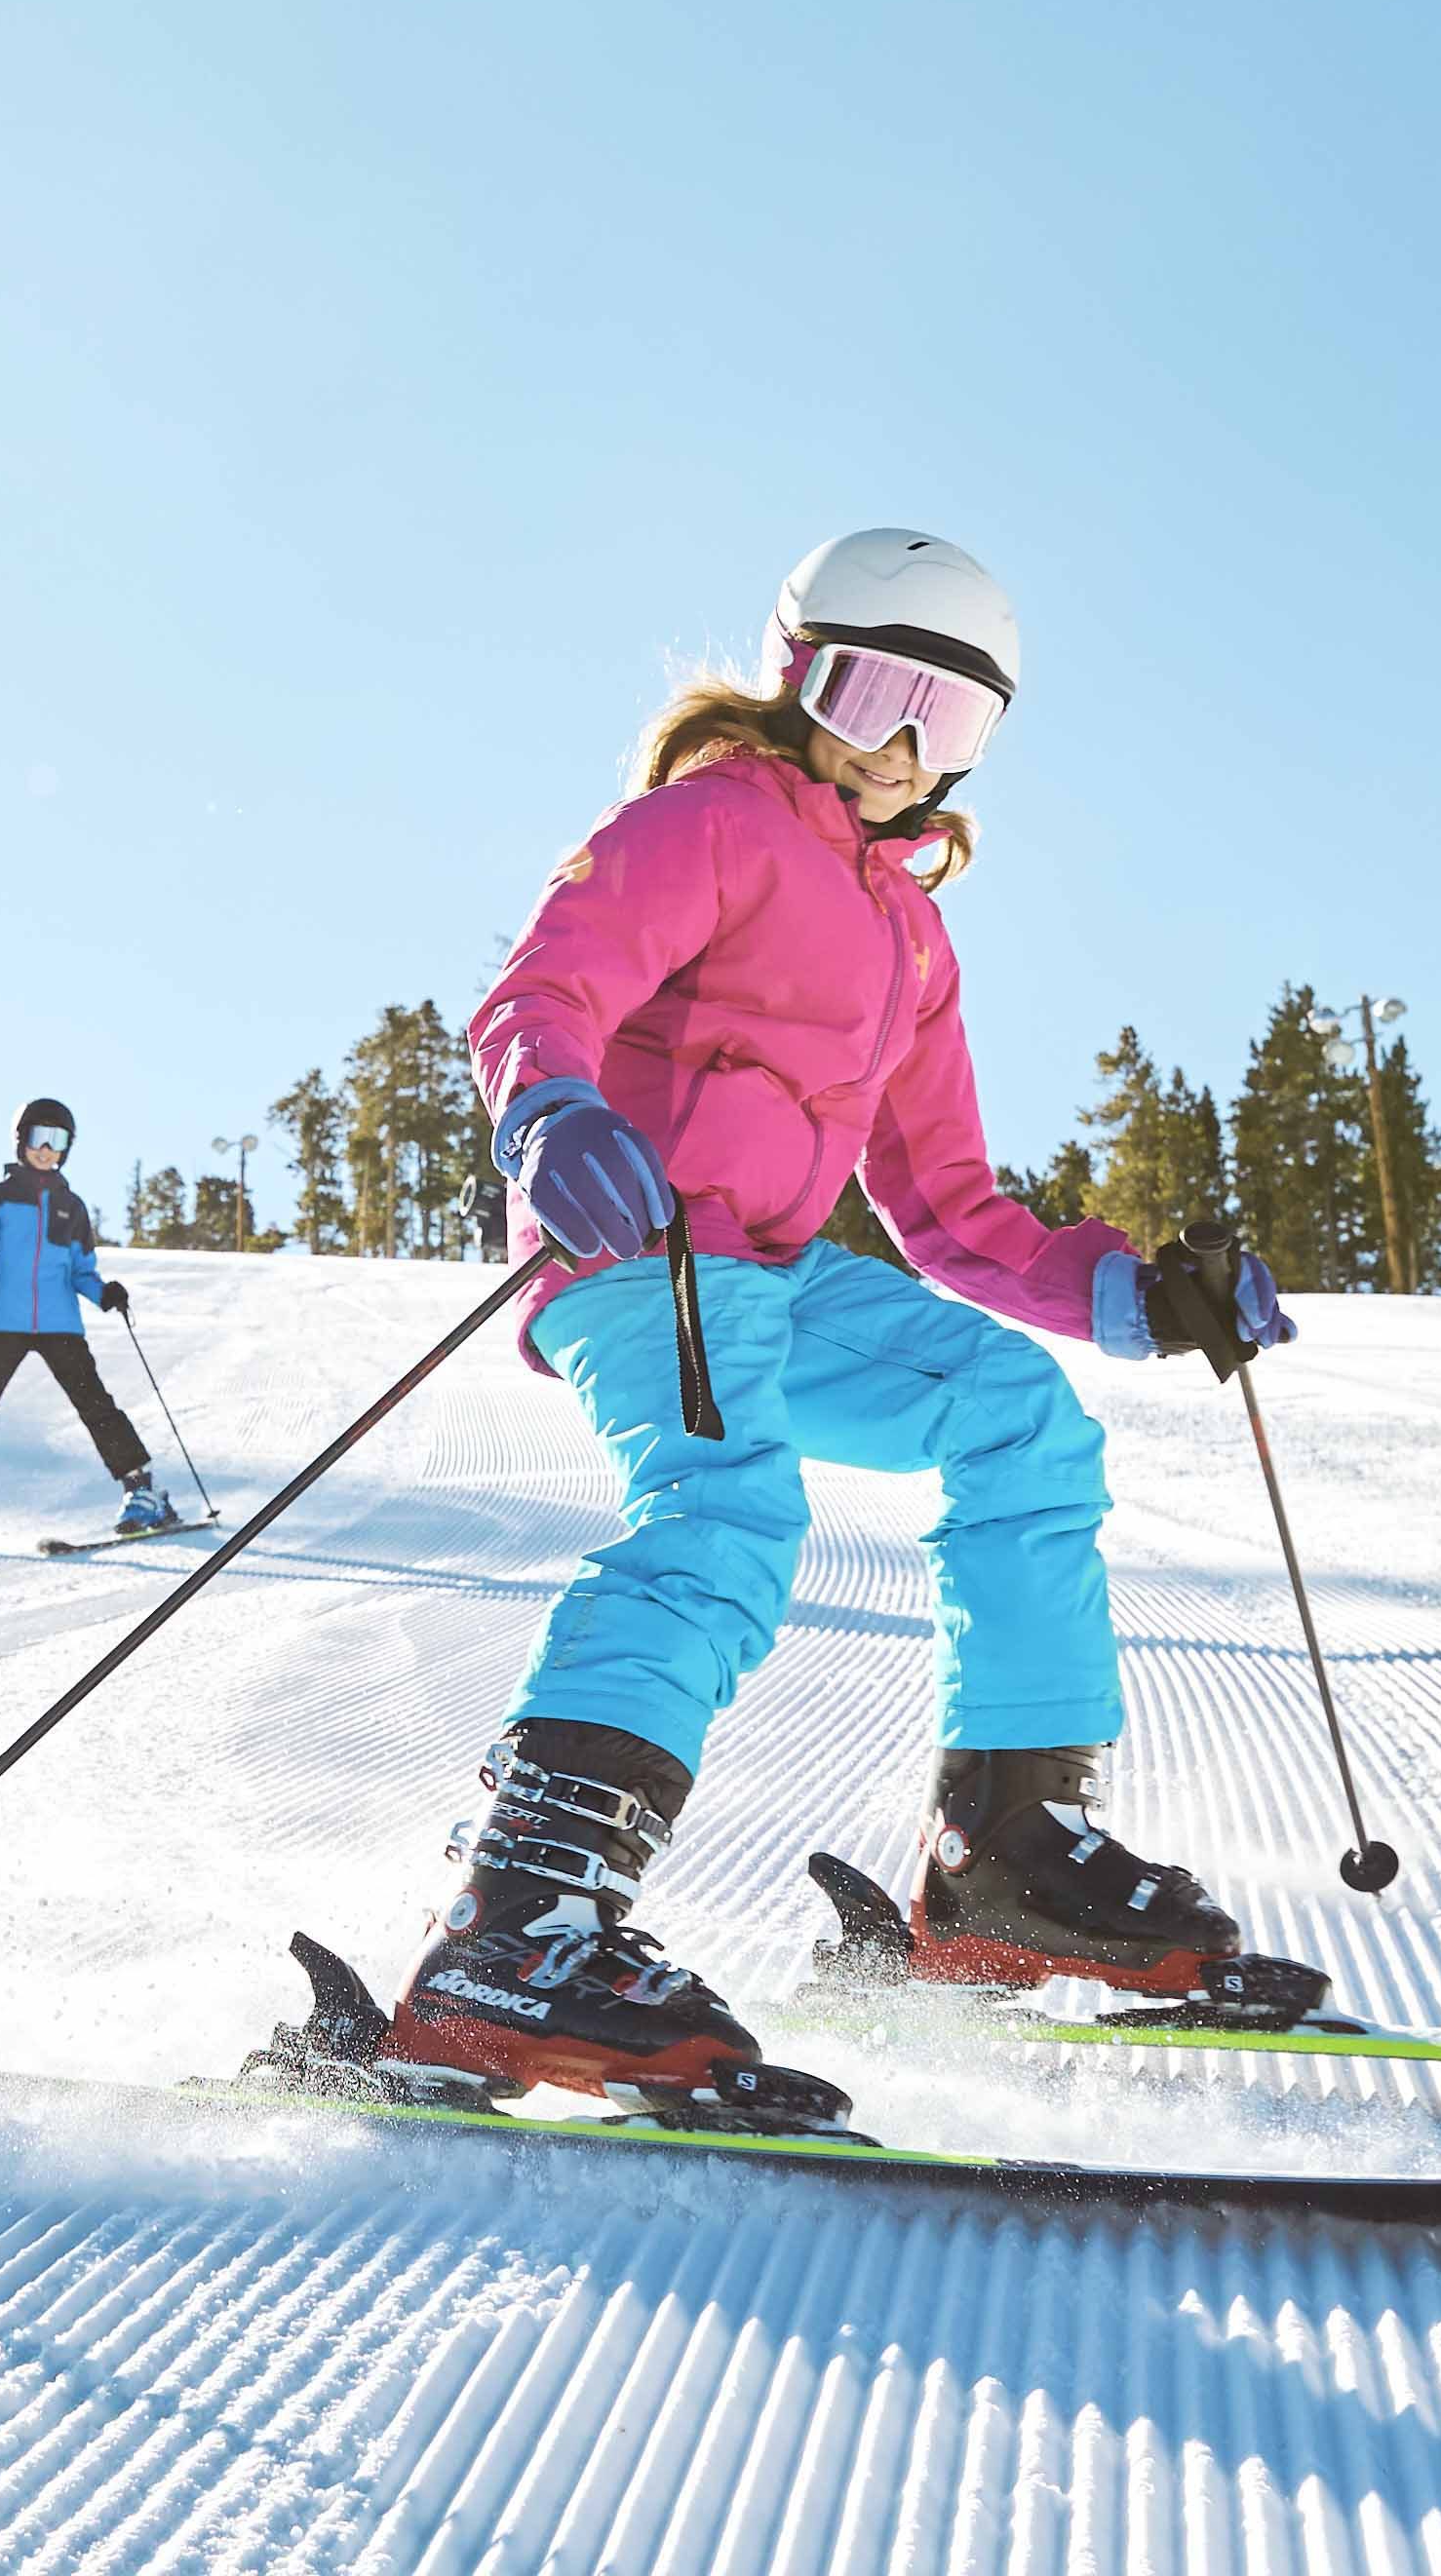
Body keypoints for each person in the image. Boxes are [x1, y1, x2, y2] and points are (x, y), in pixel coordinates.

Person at [385, 528, 1297, 2113]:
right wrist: (548, 1110)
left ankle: (1004, 1855)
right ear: (795, 669)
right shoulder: (706, 823)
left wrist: (1129, 1291)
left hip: (782, 1282)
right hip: (645, 1242)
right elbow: (546, 987)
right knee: (726, 1508)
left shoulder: (908, 935)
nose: (893, 748)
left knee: (1016, 1419)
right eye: (870, 691)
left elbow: (947, 1206)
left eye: (941, 724)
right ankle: (516, 1927)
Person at [0, 1099, 184, 1546]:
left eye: (56, 1140)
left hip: (61, 1323)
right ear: (21, 1141)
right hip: (5, 1320)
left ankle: (142, 1490)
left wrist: (103, 1293)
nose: (45, 1148)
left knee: (95, 1404)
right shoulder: (0, 1199)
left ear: (67, 1148)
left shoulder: (72, 1207)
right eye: (38, 1137)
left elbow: (80, 1269)